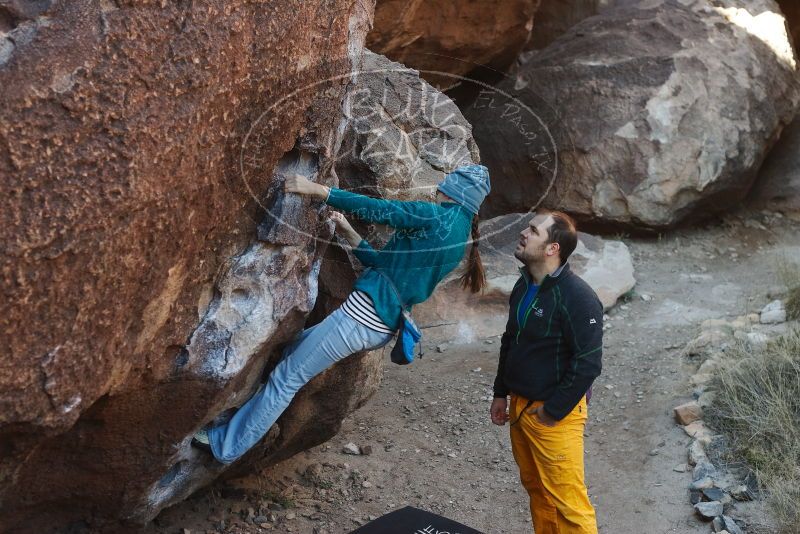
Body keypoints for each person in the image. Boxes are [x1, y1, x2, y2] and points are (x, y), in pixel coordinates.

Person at [193, 164, 491, 464]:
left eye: (444, 184)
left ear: (453, 191)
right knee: (291, 354)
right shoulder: (459, 237)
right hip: (378, 322)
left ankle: (226, 446)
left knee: (287, 377)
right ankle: (237, 425)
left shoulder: (435, 217)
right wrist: (348, 231)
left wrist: (320, 191)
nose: (437, 188)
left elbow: (379, 209)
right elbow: (383, 266)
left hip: (362, 318)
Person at [490, 211, 603, 534]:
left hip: (555, 414)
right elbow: (511, 340)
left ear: (553, 248)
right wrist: (501, 392)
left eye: (533, 230)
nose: (524, 233)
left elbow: (589, 363)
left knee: (569, 505)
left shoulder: (578, 298)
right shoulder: (525, 285)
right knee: (538, 491)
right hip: (520, 406)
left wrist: (553, 411)